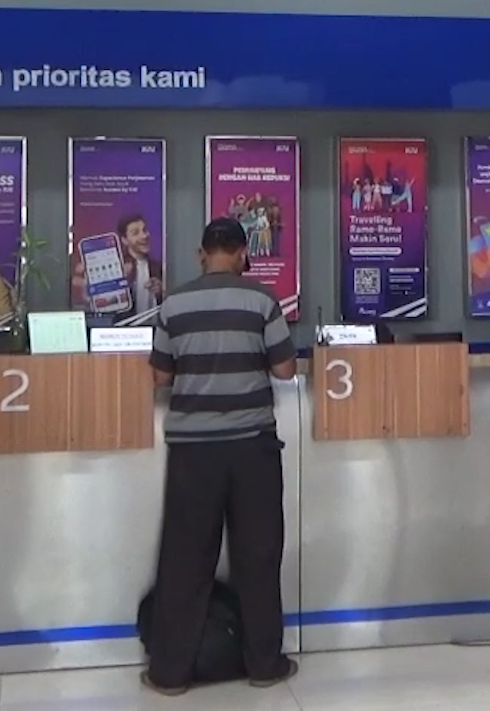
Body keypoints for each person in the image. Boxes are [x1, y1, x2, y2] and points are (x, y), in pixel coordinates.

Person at [143, 218, 299, 695]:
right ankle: (265, 665)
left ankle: (170, 673)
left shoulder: (174, 304)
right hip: (252, 447)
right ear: (243, 253)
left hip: (193, 452)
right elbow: (285, 369)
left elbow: (160, 378)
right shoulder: (262, 300)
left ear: (201, 253)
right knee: (258, 555)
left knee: (185, 559)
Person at [118, 213, 164, 320]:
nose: (144, 236)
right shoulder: (118, 268)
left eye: (144, 230)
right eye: (135, 233)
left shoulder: (159, 267)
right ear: (124, 240)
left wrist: (161, 293)